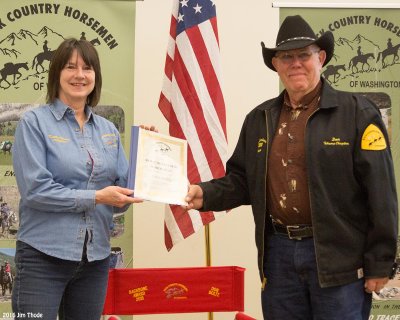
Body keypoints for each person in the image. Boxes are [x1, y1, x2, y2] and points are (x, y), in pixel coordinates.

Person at [184, 15, 398, 320]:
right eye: (286, 56)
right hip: (278, 256)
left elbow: (382, 194)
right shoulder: (259, 119)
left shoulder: (358, 114)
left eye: (304, 55)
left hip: (339, 259)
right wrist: (202, 194)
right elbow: (242, 181)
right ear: (276, 64)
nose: (295, 63)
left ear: (320, 58)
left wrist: (380, 262)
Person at [12, 38, 153, 320]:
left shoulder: (109, 130)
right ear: (57, 74)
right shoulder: (33, 123)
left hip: (95, 259)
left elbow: (121, 200)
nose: (80, 75)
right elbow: (36, 191)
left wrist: (145, 153)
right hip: (43, 257)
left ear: (95, 76)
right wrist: (98, 197)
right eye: (70, 67)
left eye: (87, 68)